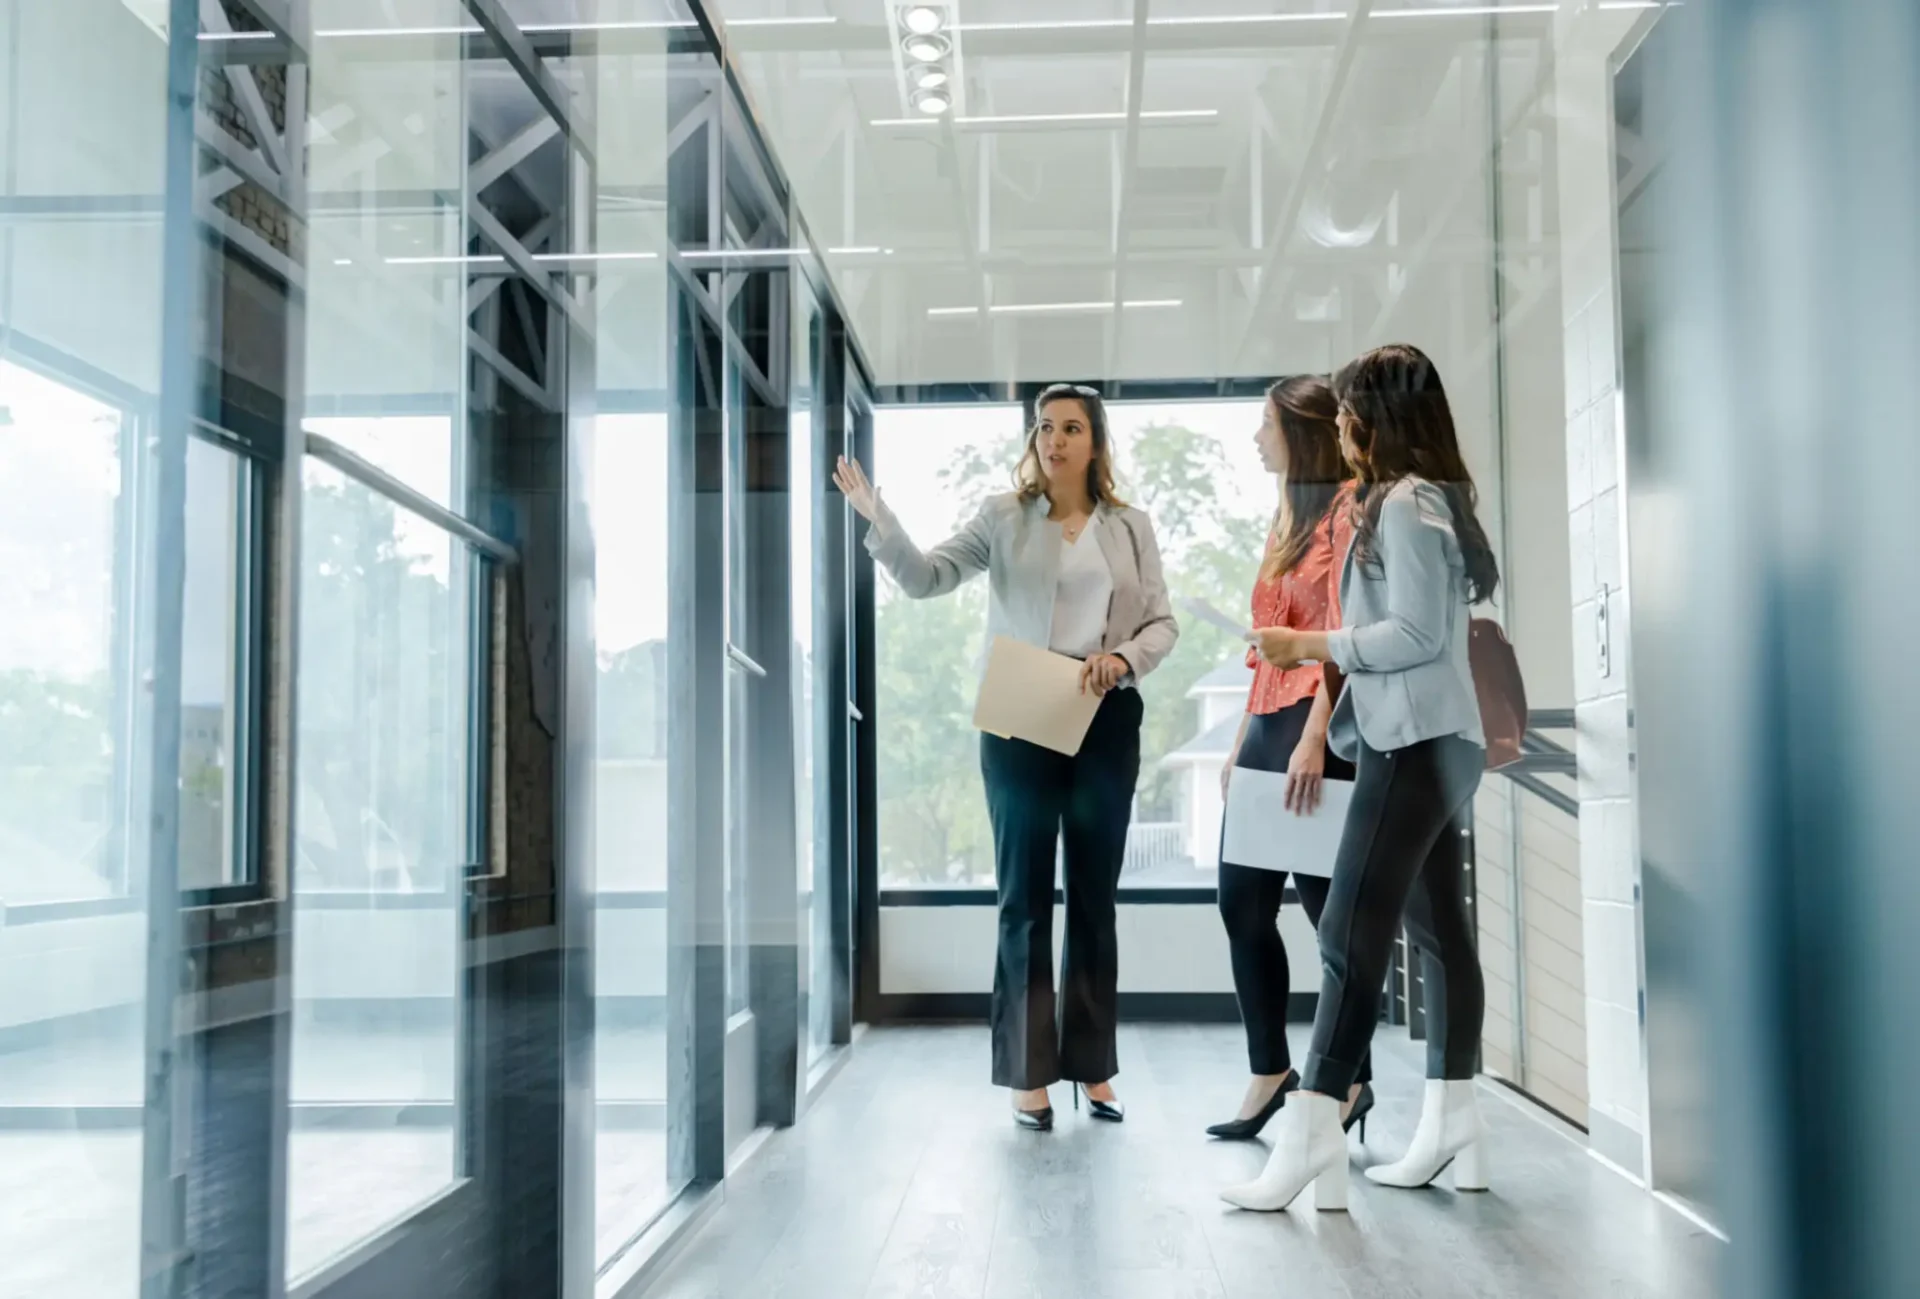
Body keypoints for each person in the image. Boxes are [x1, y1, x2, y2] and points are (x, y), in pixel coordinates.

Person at [832, 383, 1179, 1131]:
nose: (1053, 439)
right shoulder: (1001, 517)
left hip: (1105, 717)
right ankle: (1029, 1074)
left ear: (1096, 442)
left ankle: (1093, 1067)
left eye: (1071, 427)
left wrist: (1121, 659)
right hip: (1022, 718)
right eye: (1044, 426)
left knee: (1093, 899)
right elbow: (926, 578)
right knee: (1024, 898)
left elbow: (1162, 623)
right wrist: (879, 521)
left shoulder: (1130, 526)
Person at [1221, 343, 1499, 1212]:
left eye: (1346, 410)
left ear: (1373, 418)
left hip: (1413, 743)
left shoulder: (1407, 505)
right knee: (1437, 931)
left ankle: (1312, 1131)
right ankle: (1455, 1121)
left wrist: (1309, 646)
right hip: (1427, 737)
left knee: (1346, 930)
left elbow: (1413, 634)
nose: (1339, 424)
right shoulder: (1413, 500)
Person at [1208, 377, 1374, 1142]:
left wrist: (1316, 735)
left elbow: (1339, 630)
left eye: (1264, 425)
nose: (1255, 439)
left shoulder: (1347, 510)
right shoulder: (1285, 516)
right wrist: (1241, 743)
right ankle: (1271, 1069)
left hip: (1318, 727)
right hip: (1267, 726)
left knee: (1322, 912)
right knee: (1240, 900)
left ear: (1297, 432)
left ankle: (1351, 1076)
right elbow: (1264, 644)